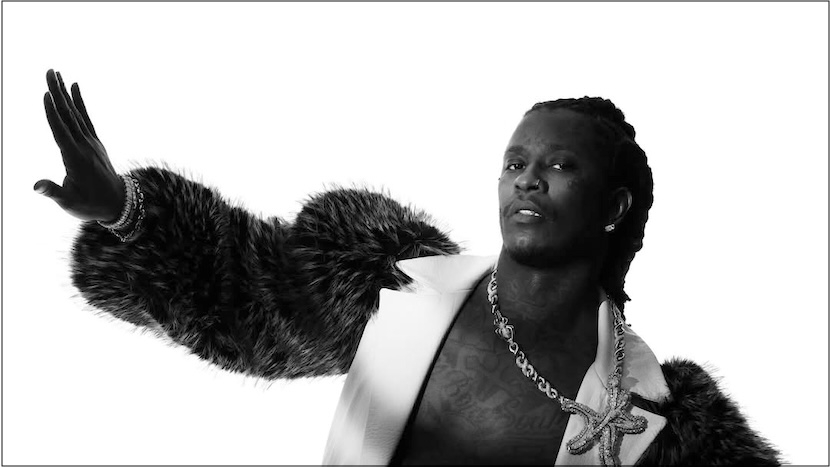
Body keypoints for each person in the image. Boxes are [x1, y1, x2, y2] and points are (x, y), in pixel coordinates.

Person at [36, 69, 782, 466]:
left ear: (614, 206)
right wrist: (125, 211)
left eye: (559, 165)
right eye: (514, 163)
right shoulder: (390, 281)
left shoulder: (668, 429)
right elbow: (241, 293)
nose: (527, 180)